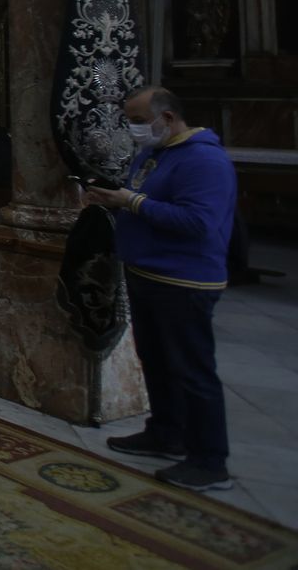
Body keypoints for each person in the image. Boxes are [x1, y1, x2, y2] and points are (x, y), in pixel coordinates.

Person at [83, 86, 237, 492]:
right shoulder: (156, 154)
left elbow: (198, 222)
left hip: (184, 279)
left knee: (192, 369)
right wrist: (113, 199)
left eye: (138, 120)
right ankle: (166, 432)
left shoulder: (205, 160)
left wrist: (131, 202)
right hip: (147, 272)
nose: (133, 128)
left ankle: (209, 461)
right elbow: (146, 199)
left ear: (167, 117)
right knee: (155, 360)